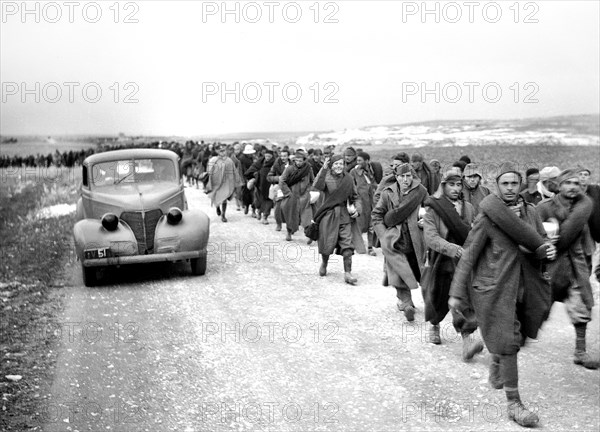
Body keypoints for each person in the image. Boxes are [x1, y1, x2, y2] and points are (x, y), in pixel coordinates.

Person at [449, 162, 556, 428]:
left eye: (514, 183)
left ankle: (497, 361)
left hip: (526, 285)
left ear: (520, 184)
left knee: (519, 337)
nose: (510, 188)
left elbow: (540, 241)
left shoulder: (530, 212)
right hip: (495, 288)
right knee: (508, 341)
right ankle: (514, 404)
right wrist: (456, 294)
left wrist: (547, 251)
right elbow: (469, 255)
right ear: (497, 185)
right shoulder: (488, 216)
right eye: (504, 183)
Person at [537, 169, 598, 370]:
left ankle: (580, 351)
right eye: (567, 182)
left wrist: (589, 253)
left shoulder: (584, 205)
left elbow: (590, 231)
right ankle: (506, 347)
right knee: (535, 306)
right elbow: (533, 232)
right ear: (558, 185)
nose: (572, 186)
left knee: (580, 305)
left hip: (577, 264)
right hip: (551, 266)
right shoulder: (545, 207)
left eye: (575, 183)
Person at [422, 168, 484, 359]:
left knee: (463, 298)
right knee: (435, 295)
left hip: (463, 260)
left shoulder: (469, 208)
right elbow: (431, 237)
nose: (456, 188)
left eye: (458, 184)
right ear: (443, 185)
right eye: (451, 184)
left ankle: (467, 341)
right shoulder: (433, 209)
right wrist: (451, 248)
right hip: (440, 259)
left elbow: (474, 231)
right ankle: (434, 325)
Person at [372, 163, 428, 322]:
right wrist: (384, 236)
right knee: (398, 272)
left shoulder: (421, 192)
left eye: (408, 176)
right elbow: (376, 215)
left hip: (416, 239)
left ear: (412, 176)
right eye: (402, 176)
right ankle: (407, 303)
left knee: (421, 272)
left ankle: (429, 302)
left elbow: (431, 209)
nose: (405, 179)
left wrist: (427, 220)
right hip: (395, 241)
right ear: (396, 177)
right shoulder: (387, 193)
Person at [313, 154, 365, 284]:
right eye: (336, 164)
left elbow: (356, 196)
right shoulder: (326, 176)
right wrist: (323, 169)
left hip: (344, 216)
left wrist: (358, 210)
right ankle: (324, 263)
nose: (338, 166)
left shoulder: (348, 178)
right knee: (327, 244)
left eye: (341, 164)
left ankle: (348, 273)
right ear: (331, 165)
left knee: (348, 245)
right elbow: (317, 186)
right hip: (328, 216)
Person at [279, 150, 315, 242]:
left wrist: (308, 190)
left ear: (304, 160)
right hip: (292, 195)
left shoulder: (308, 169)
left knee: (306, 216)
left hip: (304, 196)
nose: (298, 162)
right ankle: (289, 232)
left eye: (300, 161)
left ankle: (309, 234)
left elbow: (312, 181)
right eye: (296, 160)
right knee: (290, 214)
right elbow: (282, 181)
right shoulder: (289, 169)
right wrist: (288, 193)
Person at [350, 152, 378, 256]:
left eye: (360, 160)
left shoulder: (372, 170)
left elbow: (374, 183)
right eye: (357, 160)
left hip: (371, 201)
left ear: (367, 161)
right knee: (359, 225)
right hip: (360, 202)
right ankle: (356, 244)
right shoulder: (354, 172)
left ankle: (370, 247)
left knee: (372, 225)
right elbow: (350, 185)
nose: (358, 163)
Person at [206, 144, 240, 222]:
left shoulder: (229, 160)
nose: (223, 153)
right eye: (221, 151)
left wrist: (236, 180)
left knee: (224, 198)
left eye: (224, 151)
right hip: (216, 183)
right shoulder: (213, 160)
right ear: (218, 152)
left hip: (226, 183)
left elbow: (234, 171)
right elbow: (209, 171)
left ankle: (223, 215)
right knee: (217, 196)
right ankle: (217, 207)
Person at [245, 150, 276, 225]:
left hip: (270, 184)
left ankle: (265, 216)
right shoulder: (260, 161)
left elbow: (278, 172)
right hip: (259, 184)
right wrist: (256, 174)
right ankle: (259, 211)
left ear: (272, 156)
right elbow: (252, 169)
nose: (267, 158)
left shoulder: (275, 163)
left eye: (269, 156)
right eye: (266, 156)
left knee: (268, 200)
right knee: (258, 201)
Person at [267, 148, 290, 231]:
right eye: (281, 156)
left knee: (290, 208)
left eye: (285, 156)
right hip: (279, 188)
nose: (283, 158)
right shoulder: (276, 165)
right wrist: (278, 178)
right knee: (277, 207)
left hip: (290, 188)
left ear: (288, 156)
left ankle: (289, 227)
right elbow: (269, 177)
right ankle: (278, 224)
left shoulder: (293, 165)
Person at [238, 144, 256, 215]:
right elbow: (241, 170)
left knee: (253, 195)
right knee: (247, 195)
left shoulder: (251, 158)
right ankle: (247, 207)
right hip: (245, 179)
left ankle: (252, 210)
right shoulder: (242, 159)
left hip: (251, 178)